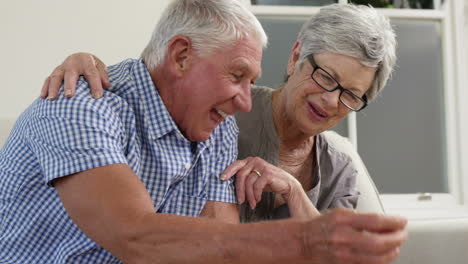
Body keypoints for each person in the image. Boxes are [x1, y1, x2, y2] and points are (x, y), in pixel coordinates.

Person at [1, 1, 407, 263]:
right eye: (237, 76)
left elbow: (218, 250)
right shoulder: (82, 104)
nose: (244, 100)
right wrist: (305, 241)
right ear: (180, 56)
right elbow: (136, 236)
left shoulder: (217, 128)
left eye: (351, 95)